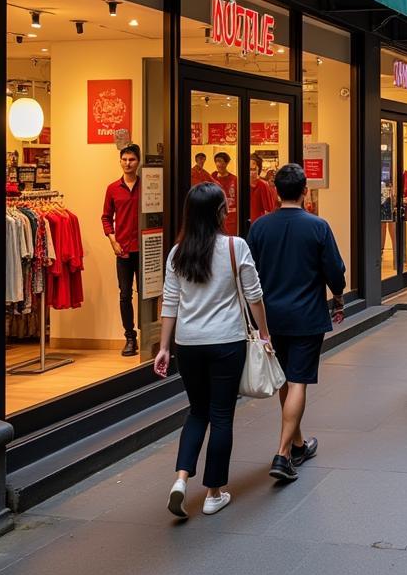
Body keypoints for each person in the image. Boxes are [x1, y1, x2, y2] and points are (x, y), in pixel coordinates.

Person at [154, 182, 271, 518]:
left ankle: (180, 480)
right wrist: (265, 335)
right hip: (226, 342)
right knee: (221, 416)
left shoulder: (177, 253)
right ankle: (213, 492)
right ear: (221, 212)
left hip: (187, 344)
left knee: (196, 412)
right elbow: (254, 296)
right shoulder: (235, 247)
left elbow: (170, 303)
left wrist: (164, 347)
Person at [248, 163, 346, 482]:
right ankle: (283, 453)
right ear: (305, 191)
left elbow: (250, 275)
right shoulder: (318, 227)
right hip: (306, 316)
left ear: (276, 191)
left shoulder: (260, 228)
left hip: (271, 319)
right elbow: (335, 271)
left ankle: (300, 443)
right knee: (299, 382)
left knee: (284, 380)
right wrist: (339, 297)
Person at [101, 143, 143, 356]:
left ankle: (149, 337)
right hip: (123, 250)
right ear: (120, 161)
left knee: (147, 294)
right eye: (124, 159)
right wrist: (112, 240)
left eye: (132, 159)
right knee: (125, 295)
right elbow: (106, 217)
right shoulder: (112, 189)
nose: (128, 163)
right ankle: (130, 338)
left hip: (145, 251)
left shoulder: (148, 185)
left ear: (138, 161)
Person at [212, 152, 239, 235]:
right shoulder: (212, 177)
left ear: (226, 163)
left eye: (220, 161)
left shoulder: (234, 179)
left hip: (231, 219)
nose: (218, 164)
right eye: (216, 161)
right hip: (215, 217)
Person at [248, 154, 277, 224]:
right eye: (249, 169)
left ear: (259, 169)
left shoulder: (263, 185)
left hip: (258, 224)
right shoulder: (241, 184)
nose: (251, 173)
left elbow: (269, 210)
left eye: (253, 169)